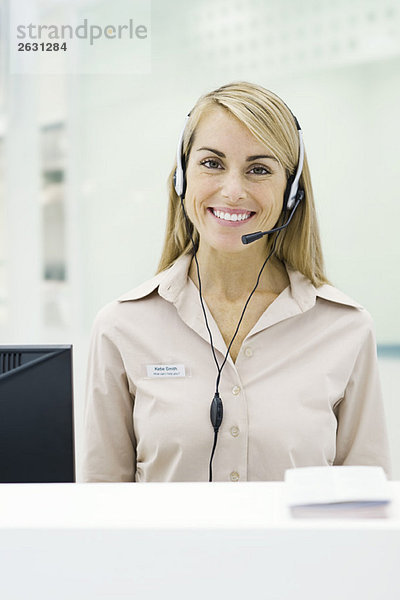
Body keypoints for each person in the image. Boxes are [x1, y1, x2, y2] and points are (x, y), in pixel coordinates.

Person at [81, 81, 391, 483]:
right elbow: (98, 505)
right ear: (182, 177)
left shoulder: (344, 327)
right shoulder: (122, 327)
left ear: (291, 192)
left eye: (259, 169)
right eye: (212, 163)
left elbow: (366, 508)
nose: (232, 191)